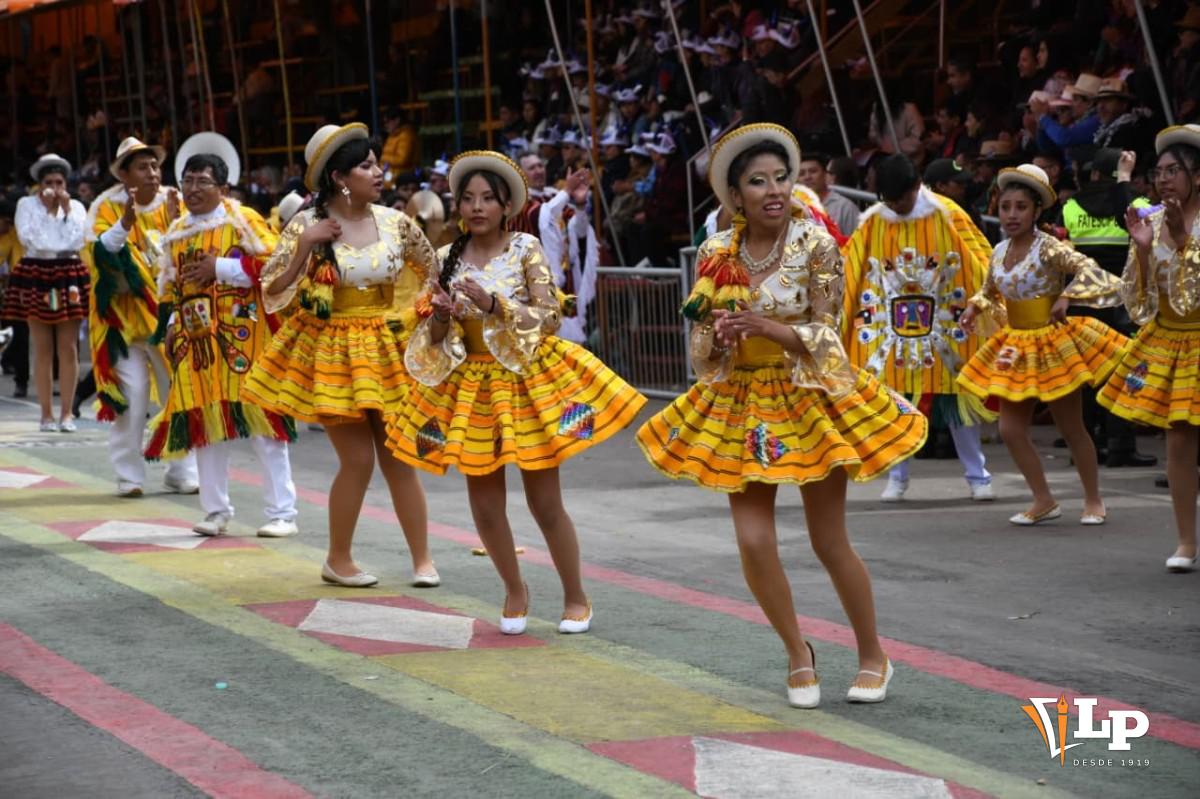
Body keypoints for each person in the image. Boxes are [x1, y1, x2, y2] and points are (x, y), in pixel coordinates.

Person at [638, 124, 928, 707]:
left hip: (810, 394)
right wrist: (718, 337)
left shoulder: (816, 244)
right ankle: (799, 653)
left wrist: (774, 329)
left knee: (828, 540)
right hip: (741, 402)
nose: (774, 190)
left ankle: (873, 654)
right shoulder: (717, 253)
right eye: (757, 181)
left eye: (781, 178)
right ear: (735, 196)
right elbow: (700, 351)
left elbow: (831, 333)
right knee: (752, 541)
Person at [385, 150, 645, 634]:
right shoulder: (445, 258)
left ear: (506, 205)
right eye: (467, 198)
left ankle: (575, 596)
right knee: (484, 505)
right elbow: (434, 341)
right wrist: (441, 317)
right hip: (470, 387)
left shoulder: (525, 247)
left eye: (487, 198)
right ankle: (514, 589)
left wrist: (494, 303)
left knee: (545, 503)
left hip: (527, 380)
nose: (477, 207)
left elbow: (549, 316)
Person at [242, 123, 438, 587]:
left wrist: (423, 318)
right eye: (366, 165)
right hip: (333, 353)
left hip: (386, 349)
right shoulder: (308, 226)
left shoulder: (395, 221)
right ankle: (338, 560)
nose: (378, 171)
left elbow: (433, 270)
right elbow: (270, 290)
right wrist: (303, 250)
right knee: (358, 462)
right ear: (339, 178)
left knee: (399, 458)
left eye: (376, 163)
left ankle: (423, 560)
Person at [143, 133, 298, 538]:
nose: (192, 189)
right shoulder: (176, 231)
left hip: (246, 339)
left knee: (264, 425)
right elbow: (171, 287)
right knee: (205, 427)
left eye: (202, 182)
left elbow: (275, 265)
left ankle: (283, 512)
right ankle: (215, 511)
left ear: (224, 188)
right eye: (188, 181)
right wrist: (174, 326)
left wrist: (221, 269)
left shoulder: (242, 219)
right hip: (198, 345)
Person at [957, 165, 1126, 526]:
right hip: (1015, 345)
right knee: (1009, 430)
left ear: (1036, 211)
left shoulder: (1049, 247)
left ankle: (1094, 500)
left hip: (1052, 343)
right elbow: (990, 290)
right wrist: (974, 306)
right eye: (1005, 207)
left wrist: (1065, 297)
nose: (1012, 215)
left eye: (1020, 207)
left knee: (1071, 427)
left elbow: (1088, 269)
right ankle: (1043, 499)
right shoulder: (998, 249)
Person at [842, 154, 995, 502]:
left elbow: (981, 259)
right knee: (894, 401)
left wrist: (980, 301)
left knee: (960, 400)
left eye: (901, 199)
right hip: (890, 329)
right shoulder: (874, 222)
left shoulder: (948, 214)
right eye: (889, 201)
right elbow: (850, 265)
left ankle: (978, 475)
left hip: (947, 319)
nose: (896, 207)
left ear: (916, 187)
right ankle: (897, 476)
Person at [1099, 125, 1200, 573]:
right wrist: (1142, 252)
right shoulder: (1151, 221)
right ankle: (1185, 541)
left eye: (1174, 170)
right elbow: (1138, 304)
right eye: (1158, 172)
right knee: (1177, 441)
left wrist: (1183, 243)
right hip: (1172, 342)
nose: (1163, 180)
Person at [85, 136, 198, 497]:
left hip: (168, 319)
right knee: (131, 398)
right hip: (123, 321)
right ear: (124, 175)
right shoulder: (105, 206)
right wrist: (123, 224)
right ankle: (129, 476)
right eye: (142, 167)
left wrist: (180, 221)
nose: (152, 173)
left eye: (154, 166)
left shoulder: (174, 202)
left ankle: (182, 470)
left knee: (178, 392)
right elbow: (99, 254)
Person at [1060, 147, 1156, 468]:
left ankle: (1087, 443)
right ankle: (1120, 444)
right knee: (1123, 370)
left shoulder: (1070, 207)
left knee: (1086, 373)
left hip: (1081, 299)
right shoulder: (1137, 204)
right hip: (1123, 299)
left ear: (1096, 174)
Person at [3, 154, 88, 432]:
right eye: (49, 182)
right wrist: (50, 212)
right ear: (40, 186)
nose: (54, 188)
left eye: (60, 182)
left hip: (67, 272)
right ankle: (46, 414)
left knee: (69, 346)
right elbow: (30, 239)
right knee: (42, 347)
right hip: (37, 272)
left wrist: (62, 212)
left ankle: (67, 413)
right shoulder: (27, 205)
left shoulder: (75, 206)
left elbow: (76, 239)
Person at [0, 199, 27, 398]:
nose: (7, 226)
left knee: (20, 336)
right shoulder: (8, 235)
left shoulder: (20, 233)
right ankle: (20, 378)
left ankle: (22, 380)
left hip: (34, 287)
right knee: (17, 336)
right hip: (15, 290)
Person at [798, 152, 859, 236]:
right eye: (801, 174)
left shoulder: (845, 207)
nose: (807, 177)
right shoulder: (791, 208)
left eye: (813, 171)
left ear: (825, 175)